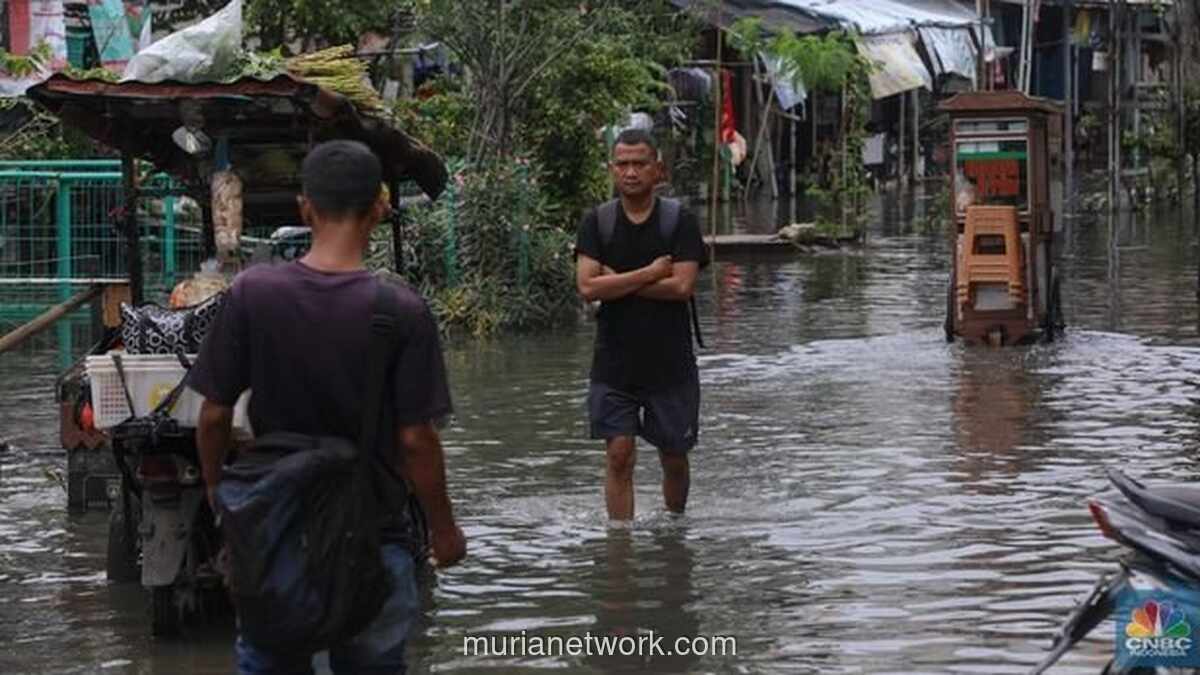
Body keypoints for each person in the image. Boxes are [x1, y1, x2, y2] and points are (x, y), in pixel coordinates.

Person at [192, 140, 467, 674]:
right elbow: (416, 440)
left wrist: (215, 488)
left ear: (304, 208)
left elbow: (214, 415)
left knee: (269, 660)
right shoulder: (402, 310)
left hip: (273, 531)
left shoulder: (253, 293)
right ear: (379, 210)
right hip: (372, 533)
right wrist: (444, 531)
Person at [575, 128, 706, 522]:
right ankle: (620, 544)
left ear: (658, 170)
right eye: (623, 164)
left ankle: (674, 527)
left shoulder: (678, 221)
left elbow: (682, 286)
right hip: (614, 362)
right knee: (618, 453)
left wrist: (617, 282)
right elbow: (586, 286)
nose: (630, 172)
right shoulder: (596, 223)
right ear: (612, 170)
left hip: (670, 362)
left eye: (639, 164)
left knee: (674, 456)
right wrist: (649, 273)